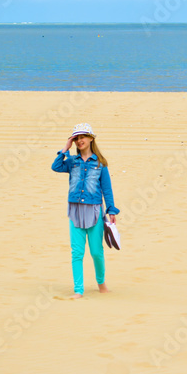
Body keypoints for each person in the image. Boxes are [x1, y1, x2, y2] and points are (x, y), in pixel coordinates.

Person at [51, 123, 120, 298]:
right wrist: (65, 148)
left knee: (96, 252)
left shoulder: (100, 164)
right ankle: (78, 290)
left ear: (91, 138)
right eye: (76, 138)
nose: (80, 140)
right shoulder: (71, 162)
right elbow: (56, 166)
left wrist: (111, 210)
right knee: (77, 252)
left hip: (95, 212)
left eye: (83, 137)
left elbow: (107, 189)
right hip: (75, 211)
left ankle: (101, 284)